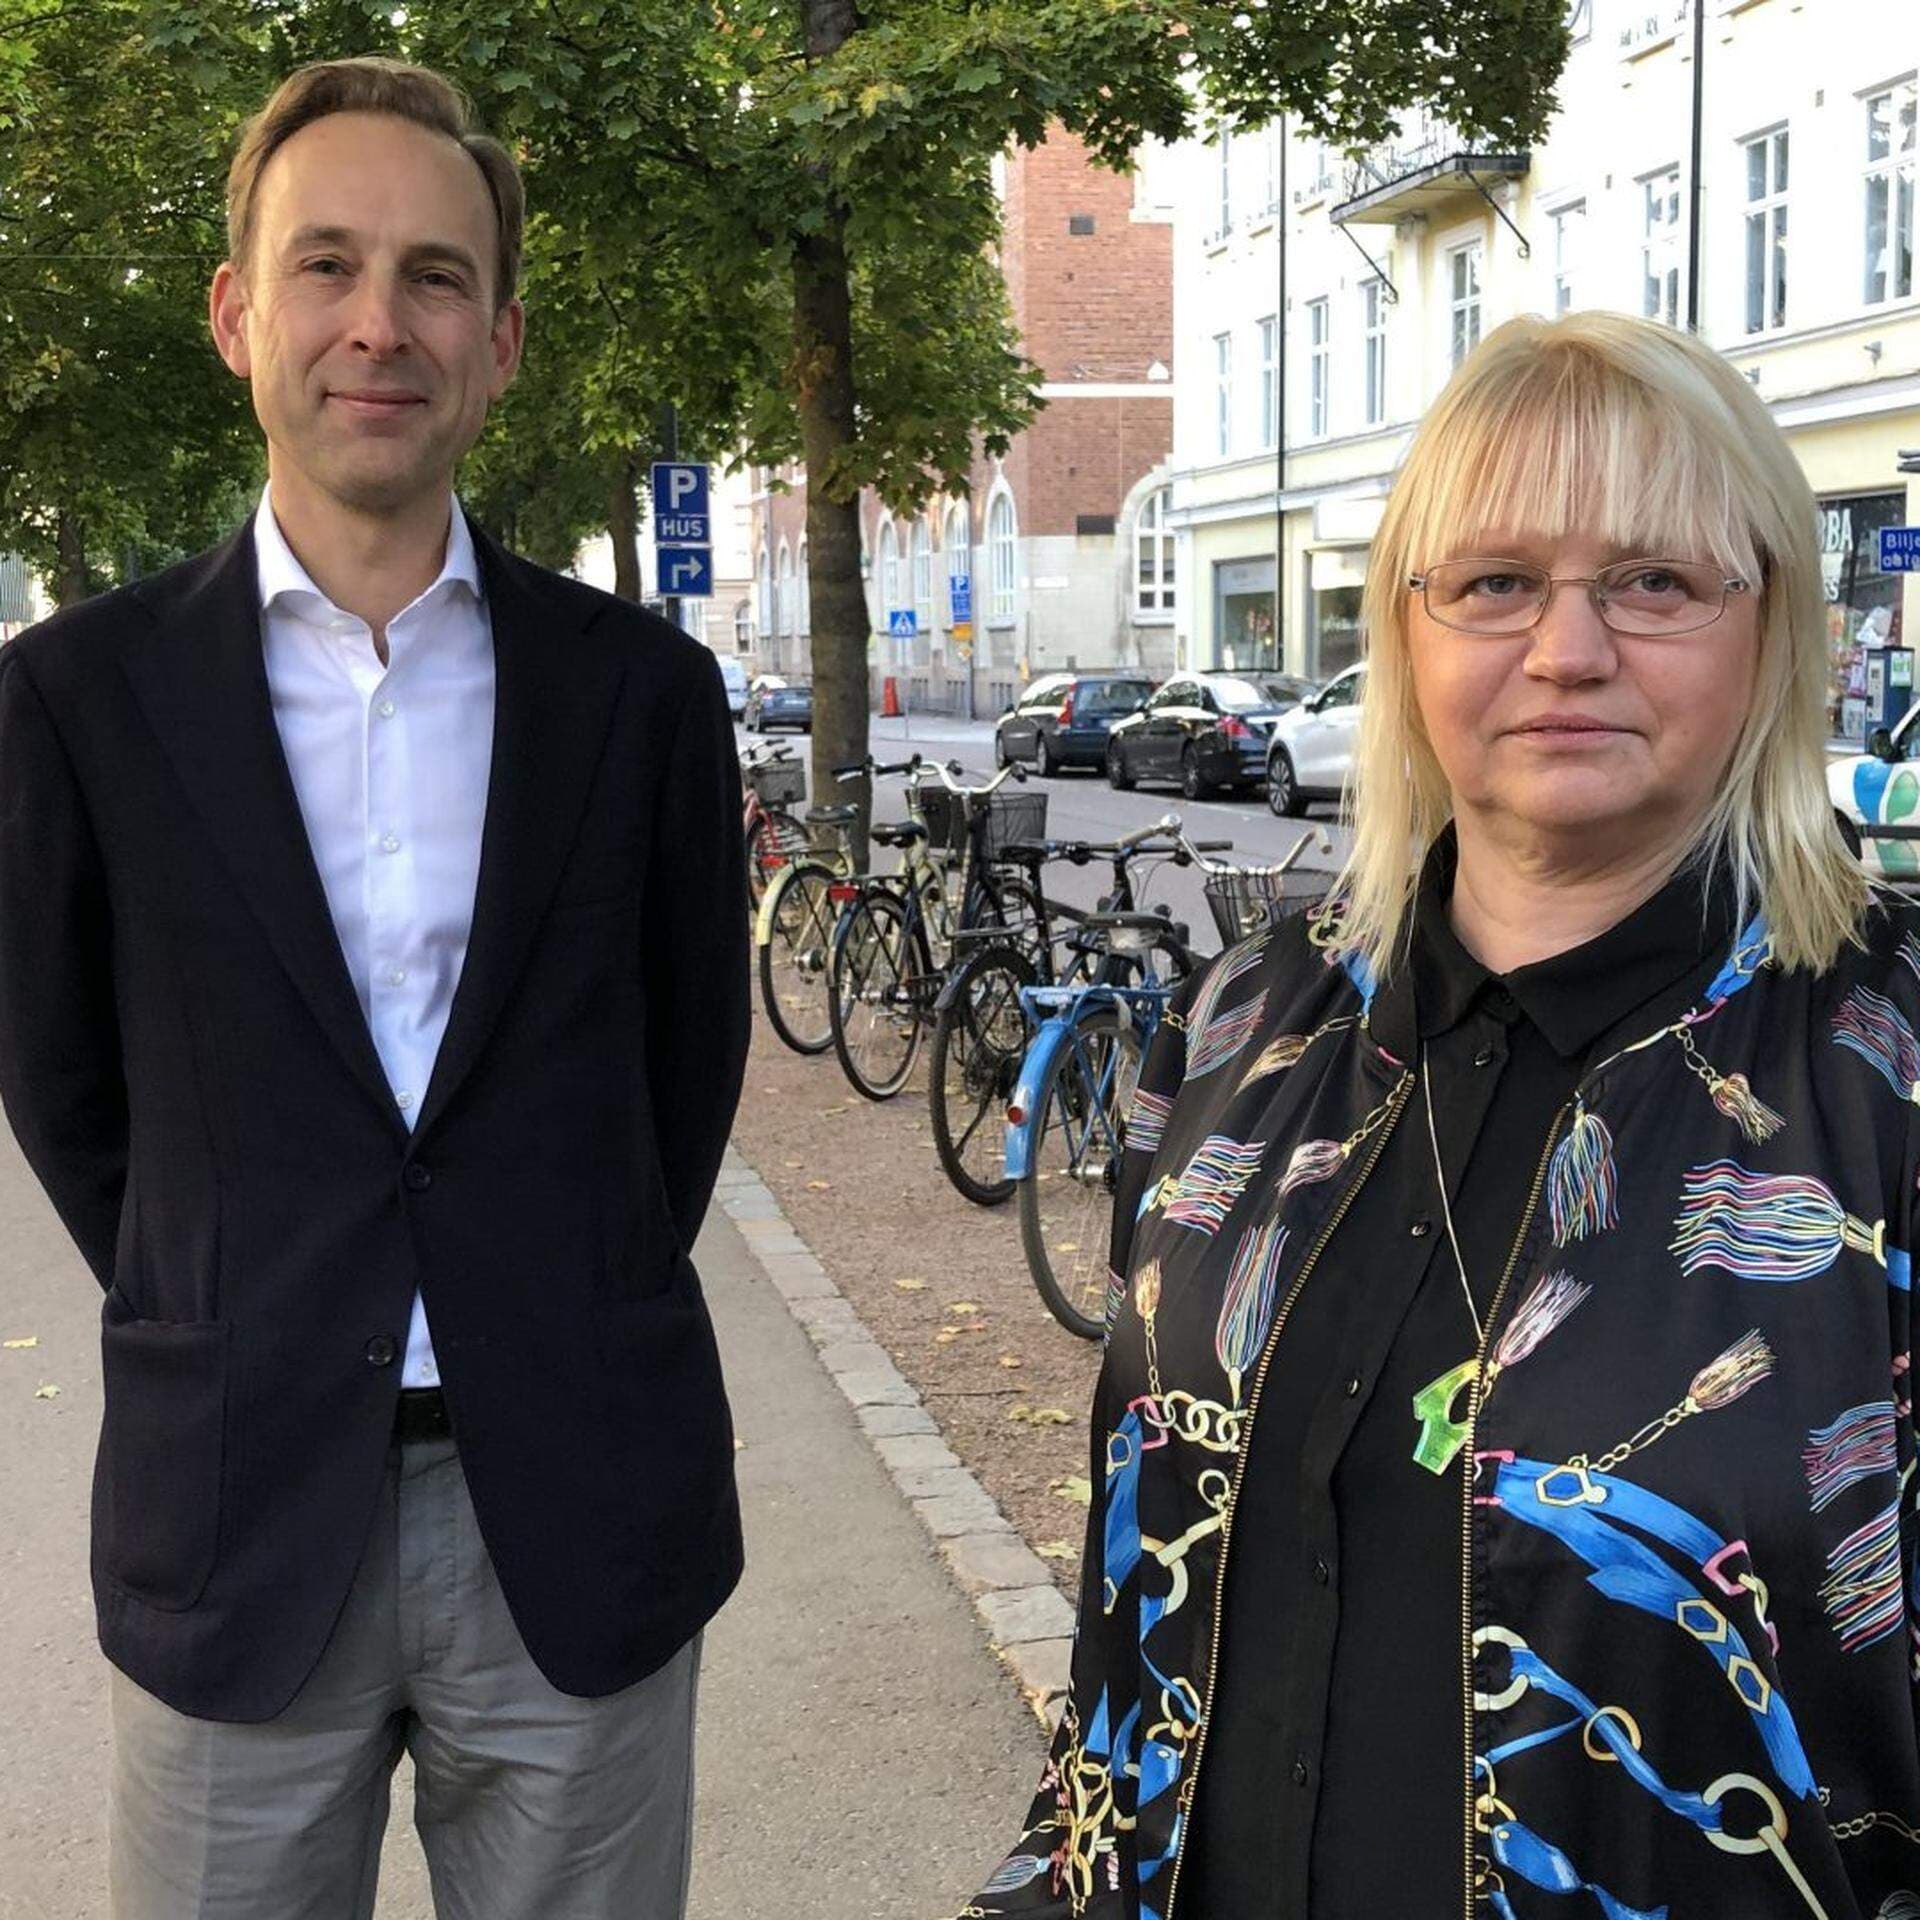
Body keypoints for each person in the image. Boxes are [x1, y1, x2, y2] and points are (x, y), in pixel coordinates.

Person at [963, 310, 1920, 1918]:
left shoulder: (1880, 1070)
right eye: (1493, 584)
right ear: (1407, 634)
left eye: (1656, 582)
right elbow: (1143, 1604)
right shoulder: (1244, 1021)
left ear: (1774, 629)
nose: (1568, 650)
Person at [0, 57, 748, 1919]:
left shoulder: (640, 699)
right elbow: (68, 1087)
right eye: (324, 264)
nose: (377, 323)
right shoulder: (77, 702)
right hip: (238, 1507)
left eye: (432, 276)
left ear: (500, 339)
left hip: (576, 1507)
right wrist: (245, 1287)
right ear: (237, 314)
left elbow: (686, 1072)